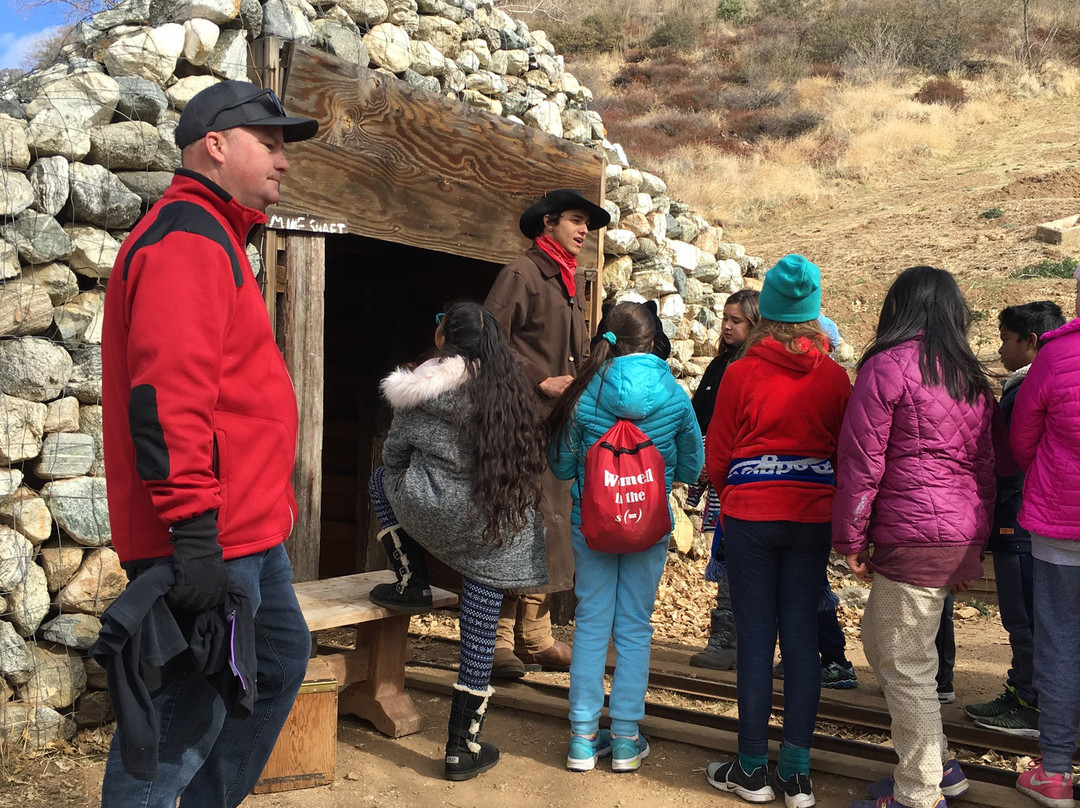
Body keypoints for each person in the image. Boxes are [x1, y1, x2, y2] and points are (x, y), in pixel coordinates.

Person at [96, 80, 319, 807]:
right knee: (182, 722)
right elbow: (166, 400)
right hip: (209, 537)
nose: (284, 162)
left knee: (281, 660)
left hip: (251, 535)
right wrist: (193, 534)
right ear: (214, 145)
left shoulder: (217, 235)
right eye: (271, 144)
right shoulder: (188, 236)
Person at [365, 301, 549, 780]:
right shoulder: (511, 390)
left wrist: (426, 485)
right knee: (480, 633)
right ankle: (460, 748)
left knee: (379, 479)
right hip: (493, 525)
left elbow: (394, 454)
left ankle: (411, 579)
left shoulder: (420, 388)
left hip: (431, 508)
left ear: (443, 338)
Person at [836, 266, 996, 808]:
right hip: (954, 531)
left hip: (913, 532)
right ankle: (940, 766)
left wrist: (851, 537)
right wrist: (975, 546)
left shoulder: (886, 367)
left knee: (905, 663)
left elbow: (862, 461)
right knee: (884, 642)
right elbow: (987, 467)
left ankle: (920, 792)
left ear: (898, 308)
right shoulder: (971, 378)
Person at [702, 254, 850, 807]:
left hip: (752, 519)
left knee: (756, 641)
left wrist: (740, 490)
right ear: (812, 312)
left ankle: (750, 769)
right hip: (813, 519)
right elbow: (845, 451)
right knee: (803, 643)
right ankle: (797, 775)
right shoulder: (836, 378)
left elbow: (718, 456)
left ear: (765, 310)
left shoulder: (740, 372)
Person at [548, 301, 703, 773]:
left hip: (590, 524)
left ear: (607, 340)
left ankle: (580, 738)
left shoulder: (584, 391)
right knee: (634, 627)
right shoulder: (674, 395)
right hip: (649, 524)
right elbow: (694, 465)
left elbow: (561, 465)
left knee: (592, 623)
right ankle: (625, 739)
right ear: (653, 341)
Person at [483, 188, 611, 679]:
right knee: (515, 526)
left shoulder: (567, 280)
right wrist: (538, 378)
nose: (584, 232)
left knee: (551, 525)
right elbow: (483, 339)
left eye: (587, 225)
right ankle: (493, 642)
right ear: (549, 223)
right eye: (576, 221)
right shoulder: (522, 274)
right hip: (520, 425)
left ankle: (534, 638)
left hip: (557, 427)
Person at [965, 301, 1063, 740]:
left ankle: (1029, 703)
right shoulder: (1054, 383)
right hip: (1042, 519)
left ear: (1031, 342)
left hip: (1019, 520)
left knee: (1023, 618)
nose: (1000, 349)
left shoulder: (1026, 392)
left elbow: (1010, 459)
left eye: (1007, 339)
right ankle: (1028, 692)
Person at [1009, 279, 1080, 807]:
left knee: (1059, 642)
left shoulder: (1056, 355)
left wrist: (1053, 473)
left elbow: (1021, 441)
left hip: (1062, 527)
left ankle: (1054, 772)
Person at [688, 289, 759, 671]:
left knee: (736, 557)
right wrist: (700, 456)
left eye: (737, 321)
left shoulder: (751, 370)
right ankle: (728, 638)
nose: (728, 326)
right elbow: (699, 416)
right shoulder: (720, 366)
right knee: (727, 555)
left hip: (743, 478)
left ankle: (733, 640)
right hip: (719, 476)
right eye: (726, 319)